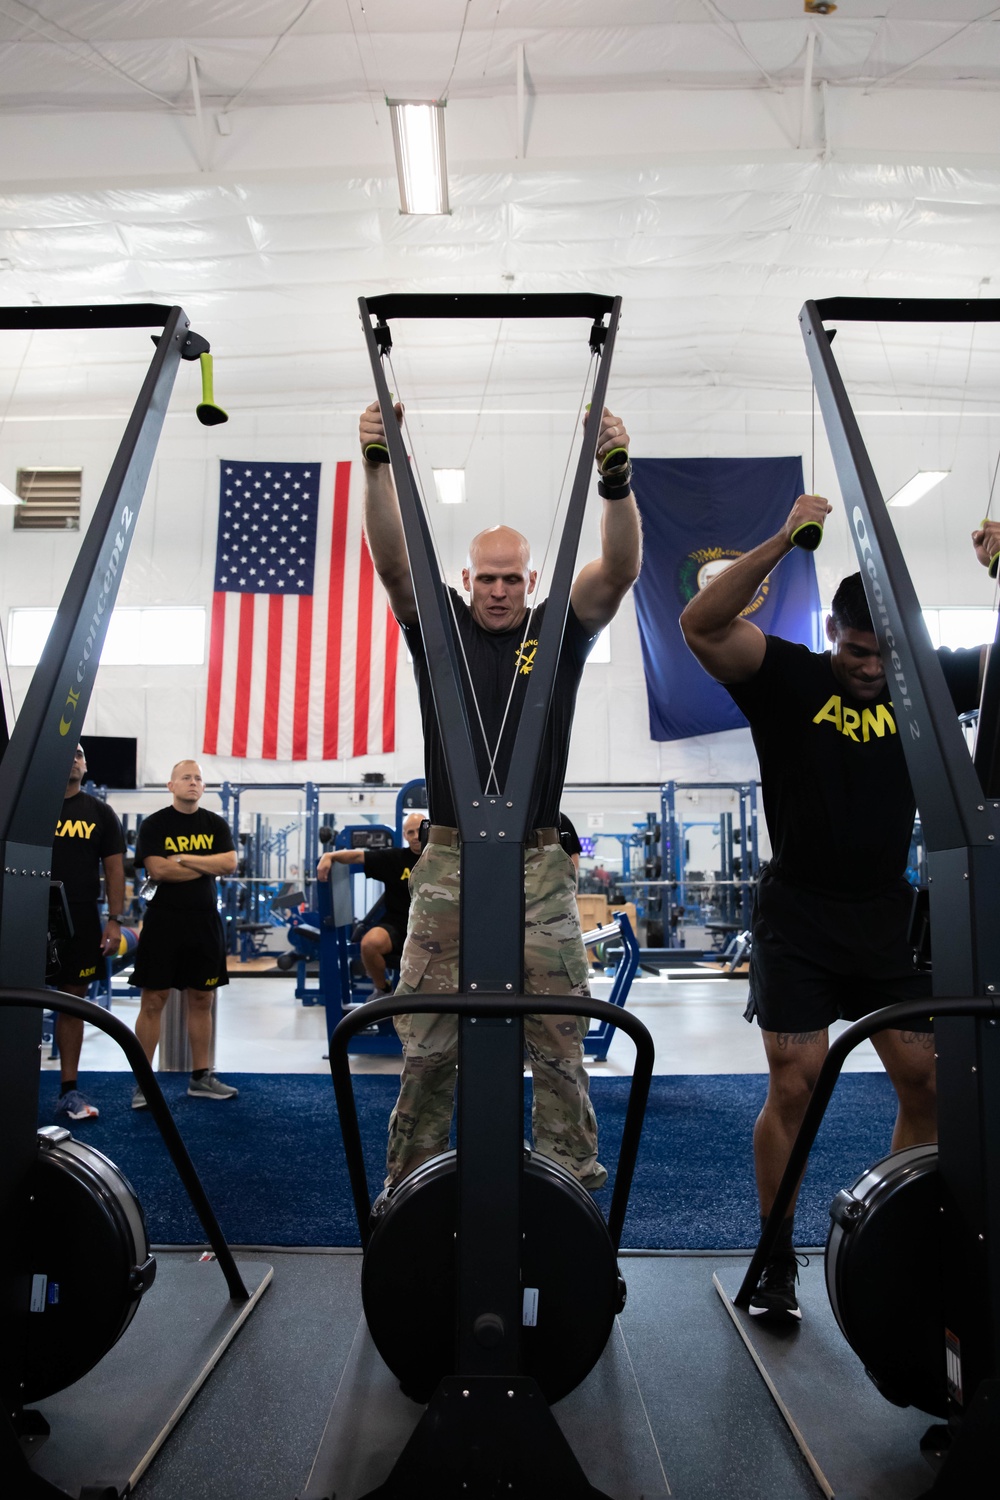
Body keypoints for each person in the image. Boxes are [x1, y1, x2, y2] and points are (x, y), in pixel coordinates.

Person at [679, 492, 991, 1321]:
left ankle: (898, 1233)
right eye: (856, 650)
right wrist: (783, 537)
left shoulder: (924, 680)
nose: (869, 667)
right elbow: (700, 625)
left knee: (926, 1081)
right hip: (800, 915)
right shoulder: (786, 676)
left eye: (884, 653)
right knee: (797, 1083)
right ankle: (776, 1255)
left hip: (888, 915)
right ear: (832, 637)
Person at [360, 397, 642, 1193]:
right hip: (447, 861)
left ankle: (569, 1191)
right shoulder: (442, 629)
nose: (498, 591)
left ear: (531, 580)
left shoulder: (556, 634)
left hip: (539, 866)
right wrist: (380, 463)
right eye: (485, 578)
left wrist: (614, 482)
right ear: (465, 578)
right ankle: (407, 1195)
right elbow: (391, 563)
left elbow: (618, 571)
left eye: (511, 578)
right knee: (428, 1050)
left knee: (559, 1045)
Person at [129, 760, 239, 1109]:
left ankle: (201, 1077)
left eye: (198, 779)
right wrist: (203, 863)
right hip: (163, 922)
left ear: (203, 787)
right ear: (171, 785)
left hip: (203, 922)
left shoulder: (215, 824)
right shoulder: (155, 825)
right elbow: (157, 869)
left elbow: (229, 865)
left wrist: (182, 859)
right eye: (186, 778)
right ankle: (144, 1084)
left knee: (202, 999)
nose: (193, 783)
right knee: (153, 1000)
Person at [49, 743, 127, 1121]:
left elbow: (115, 870)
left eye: (79, 754)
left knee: (72, 1003)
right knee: (17, 1003)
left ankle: (69, 1091)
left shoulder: (100, 813)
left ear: (86, 764)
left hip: (80, 917)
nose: (74, 758)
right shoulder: (28, 807)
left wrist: (115, 919)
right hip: (26, 915)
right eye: (68, 752)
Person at [317, 813, 424, 992]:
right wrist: (329, 856)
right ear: (405, 835)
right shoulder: (395, 859)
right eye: (410, 832)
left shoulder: (444, 860)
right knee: (369, 944)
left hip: (433, 927)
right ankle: (383, 989)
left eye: (419, 831)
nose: (416, 837)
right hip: (398, 925)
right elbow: (357, 857)